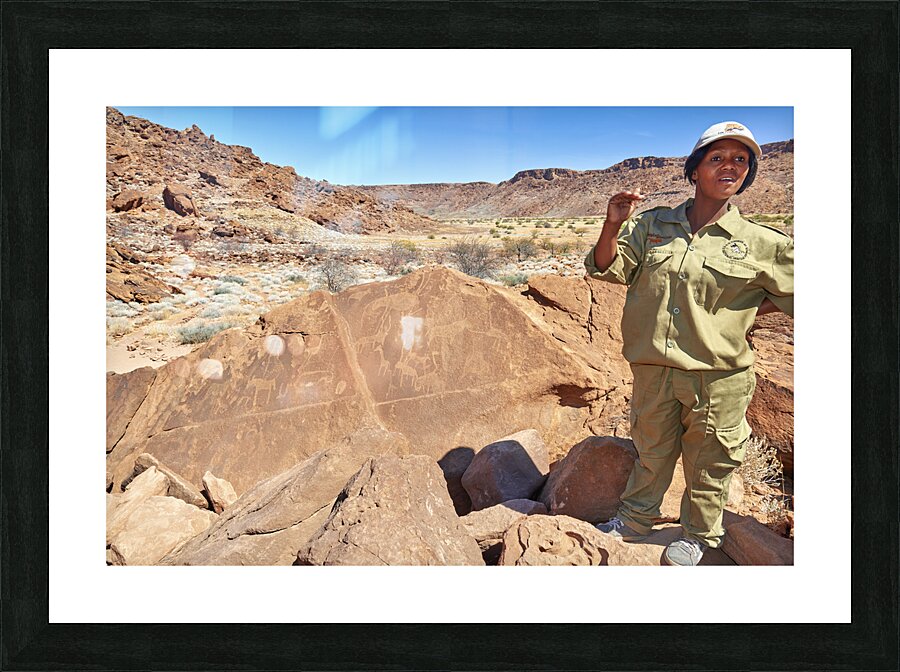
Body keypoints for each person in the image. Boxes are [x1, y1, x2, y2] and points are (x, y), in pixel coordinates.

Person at [584, 121, 794, 566]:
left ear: (748, 175)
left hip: (718, 378)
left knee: (711, 461)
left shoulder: (764, 243)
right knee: (651, 450)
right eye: (717, 158)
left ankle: (698, 535)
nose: (730, 166)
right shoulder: (652, 225)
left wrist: (743, 309)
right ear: (694, 170)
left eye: (741, 160)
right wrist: (611, 224)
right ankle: (635, 521)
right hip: (654, 369)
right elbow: (605, 268)